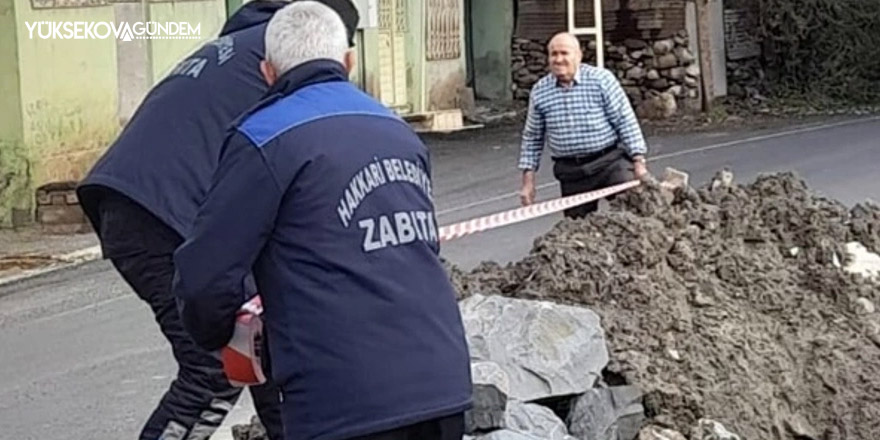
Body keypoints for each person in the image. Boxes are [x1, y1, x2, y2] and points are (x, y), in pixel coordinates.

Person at [170, 2, 473, 439]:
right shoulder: (398, 131)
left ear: (267, 73)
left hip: (343, 401)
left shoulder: (264, 137)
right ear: (348, 62)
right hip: (442, 385)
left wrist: (223, 337)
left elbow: (206, 273)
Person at [75, 1, 361, 439]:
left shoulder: (240, 46)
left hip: (138, 202)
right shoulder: (290, 63)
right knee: (214, 368)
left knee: (265, 347)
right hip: (164, 211)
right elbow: (309, 167)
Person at [517, 32, 649, 219]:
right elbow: (532, 137)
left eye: (564, 53)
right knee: (576, 231)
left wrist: (639, 162)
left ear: (578, 56)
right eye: (553, 54)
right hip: (572, 172)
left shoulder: (601, 80)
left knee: (633, 215)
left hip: (609, 163)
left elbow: (625, 121)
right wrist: (528, 182)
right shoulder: (540, 91)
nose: (558, 59)